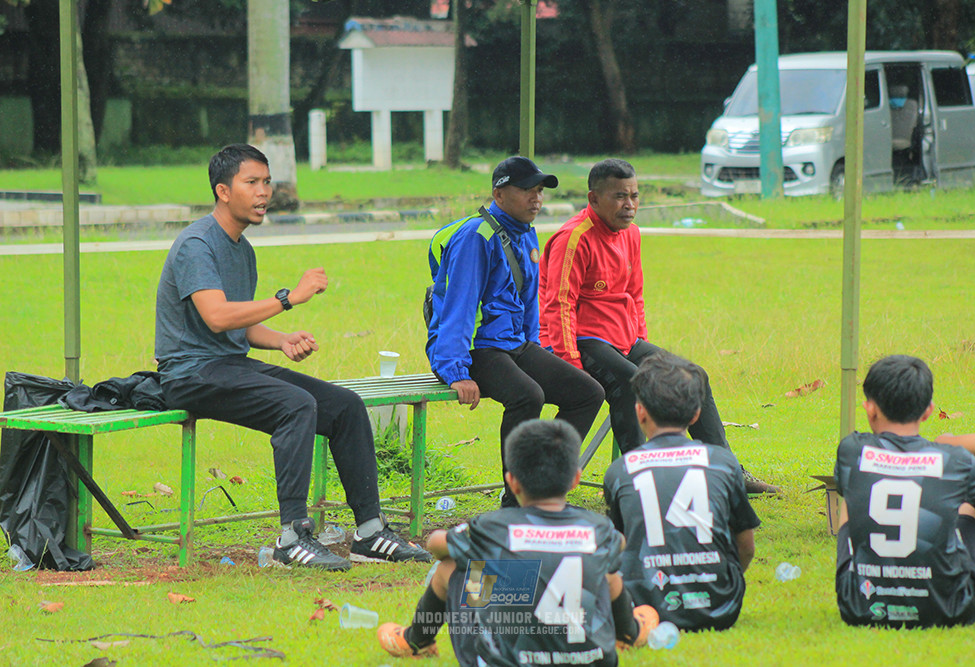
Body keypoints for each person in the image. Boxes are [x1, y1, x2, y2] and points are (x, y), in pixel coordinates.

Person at [155, 144, 430, 570]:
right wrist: (287, 299)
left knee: (345, 407)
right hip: (190, 374)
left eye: (267, 182)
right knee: (296, 405)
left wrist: (280, 339)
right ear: (223, 191)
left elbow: (239, 325)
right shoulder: (197, 244)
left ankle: (370, 533)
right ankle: (292, 537)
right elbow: (215, 317)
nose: (264, 192)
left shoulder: (241, 249)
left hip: (228, 366)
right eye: (252, 183)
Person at [538, 158, 778, 495]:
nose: (630, 205)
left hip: (624, 340)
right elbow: (557, 304)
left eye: (635, 196)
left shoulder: (631, 233)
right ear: (593, 199)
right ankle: (637, 483)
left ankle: (728, 471)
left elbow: (634, 294)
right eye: (620, 196)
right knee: (630, 382)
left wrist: (641, 343)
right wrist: (571, 364)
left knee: (694, 375)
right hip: (581, 340)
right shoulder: (573, 238)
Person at [377, 418, 658, 665]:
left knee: (453, 565)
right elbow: (618, 543)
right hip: (592, 659)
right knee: (605, 570)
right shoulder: (597, 527)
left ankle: (416, 640)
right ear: (575, 479)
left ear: (512, 481)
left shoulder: (493, 527)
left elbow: (435, 544)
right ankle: (629, 631)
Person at [425, 156, 605, 507]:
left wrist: (536, 349)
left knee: (587, 393)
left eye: (539, 191)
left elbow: (528, 302)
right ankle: (518, 500)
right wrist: (455, 371)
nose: (536, 198)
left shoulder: (525, 232)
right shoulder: (476, 237)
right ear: (499, 194)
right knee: (528, 396)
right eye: (526, 190)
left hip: (512, 344)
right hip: (473, 348)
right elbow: (458, 308)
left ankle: (546, 485)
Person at [834, 355, 975, 627]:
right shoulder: (956, 461)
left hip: (859, 606)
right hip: (950, 610)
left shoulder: (851, 450)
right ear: (928, 411)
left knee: (850, 492)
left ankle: (873, 582)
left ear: (870, 409)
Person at [603, 353, 758, 631]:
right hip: (722, 606)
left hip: (644, 607)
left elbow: (620, 546)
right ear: (696, 414)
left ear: (640, 411)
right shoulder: (724, 462)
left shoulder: (621, 470)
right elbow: (746, 546)